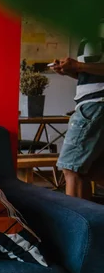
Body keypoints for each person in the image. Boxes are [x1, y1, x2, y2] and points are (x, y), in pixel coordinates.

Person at [50, 35, 104, 200]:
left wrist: (79, 65)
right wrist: (71, 71)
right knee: (93, 170)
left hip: (95, 104)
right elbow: (95, 75)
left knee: (72, 169)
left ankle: (76, 225)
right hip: (92, 104)